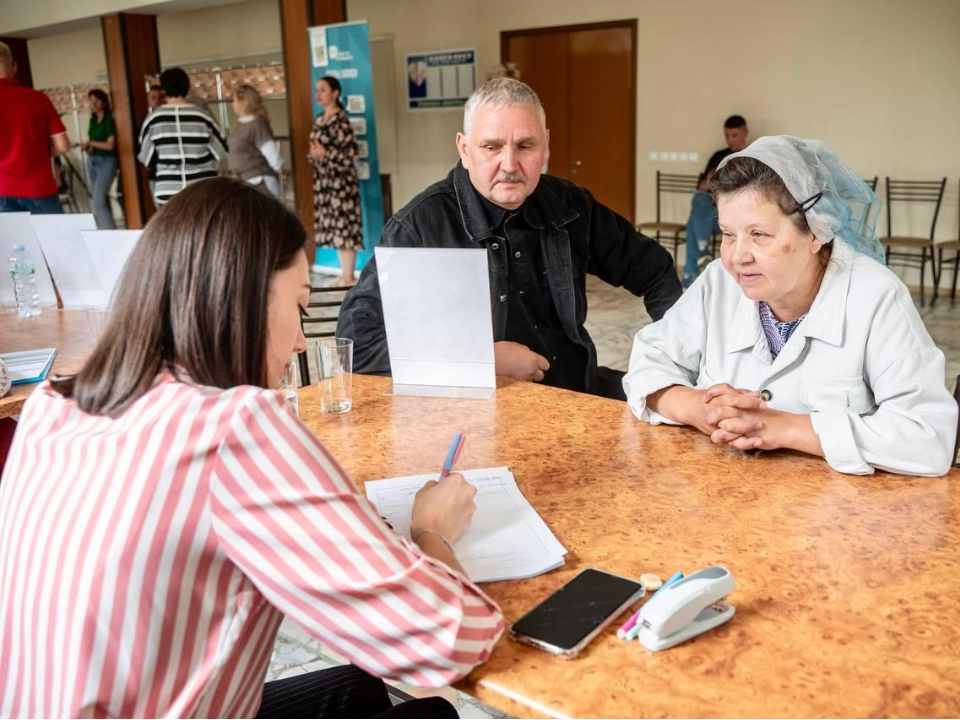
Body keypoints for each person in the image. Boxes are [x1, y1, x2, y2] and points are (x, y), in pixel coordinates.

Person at [0, 178, 502, 718]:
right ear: (240, 301)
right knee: (432, 714)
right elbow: (450, 640)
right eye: (301, 309)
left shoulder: (49, 408)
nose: (301, 342)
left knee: (357, 689)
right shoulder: (233, 428)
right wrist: (431, 530)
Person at [623, 135, 957, 477]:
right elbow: (648, 362)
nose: (738, 257)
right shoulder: (717, 283)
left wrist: (787, 428)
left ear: (816, 232)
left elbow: (929, 437)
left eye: (759, 235)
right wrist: (697, 407)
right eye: (727, 234)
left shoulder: (876, 297)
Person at [337, 78, 681, 400]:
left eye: (525, 146)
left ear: (545, 145)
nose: (509, 164)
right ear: (464, 148)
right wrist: (483, 359)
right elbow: (358, 346)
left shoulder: (571, 205)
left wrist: (674, 356)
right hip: (482, 415)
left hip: (576, 395)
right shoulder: (420, 226)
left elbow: (655, 271)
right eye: (491, 146)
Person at [138, 67, 227, 205]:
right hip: (202, 187)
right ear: (188, 86)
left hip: (168, 190)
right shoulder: (202, 116)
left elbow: (147, 159)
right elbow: (220, 152)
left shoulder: (153, 120)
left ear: (164, 89)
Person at [0, 41, 70, 214]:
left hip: (2, 190)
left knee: (8, 242)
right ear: (14, 67)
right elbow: (63, 145)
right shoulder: (39, 99)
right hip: (39, 189)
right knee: (54, 241)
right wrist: (38, 151)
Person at [681, 115, 749, 288]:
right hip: (711, 214)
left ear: (745, 133)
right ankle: (701, 252)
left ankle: (690, 272)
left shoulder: (751, 157)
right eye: (727, 136)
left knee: (692, 224)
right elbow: (702, 185)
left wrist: (717, 183)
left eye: (734, 135)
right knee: (699, 199)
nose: (730, 140)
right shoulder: (719, 156)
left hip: (735, 217)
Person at [309, 75, 363, 285]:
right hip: (324, 183)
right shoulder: (319, 119)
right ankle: (344, 274)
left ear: (335, 93)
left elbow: (351, 153)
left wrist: (326, 154)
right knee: (333, 228)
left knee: (345, 227)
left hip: (341, 183)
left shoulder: (341, 120)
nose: (318, 95)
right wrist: (315, 154)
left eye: (323, 90)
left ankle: (349, 276)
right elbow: (315, 151)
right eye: (317, 90)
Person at [228, 84, 283, 197]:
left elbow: (273, 157)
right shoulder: (240, 124)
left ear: (244, 102)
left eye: (234, 100)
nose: (232, 104)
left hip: (259, 182)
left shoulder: (258, 124)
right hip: (244, 182)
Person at [82, 88, 118, 229]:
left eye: (96, 101)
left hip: (106, 162)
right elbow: (94, 142)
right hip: (93, 160)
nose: (93, 104)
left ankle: (110, 233)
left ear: (104, 102)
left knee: (98, 200)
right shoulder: (92, 120)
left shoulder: (109, 119)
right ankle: (108, 229)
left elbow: (110, 145)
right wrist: (89, 147)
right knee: (102, 199)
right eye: (91, 101)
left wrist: (91, 143)